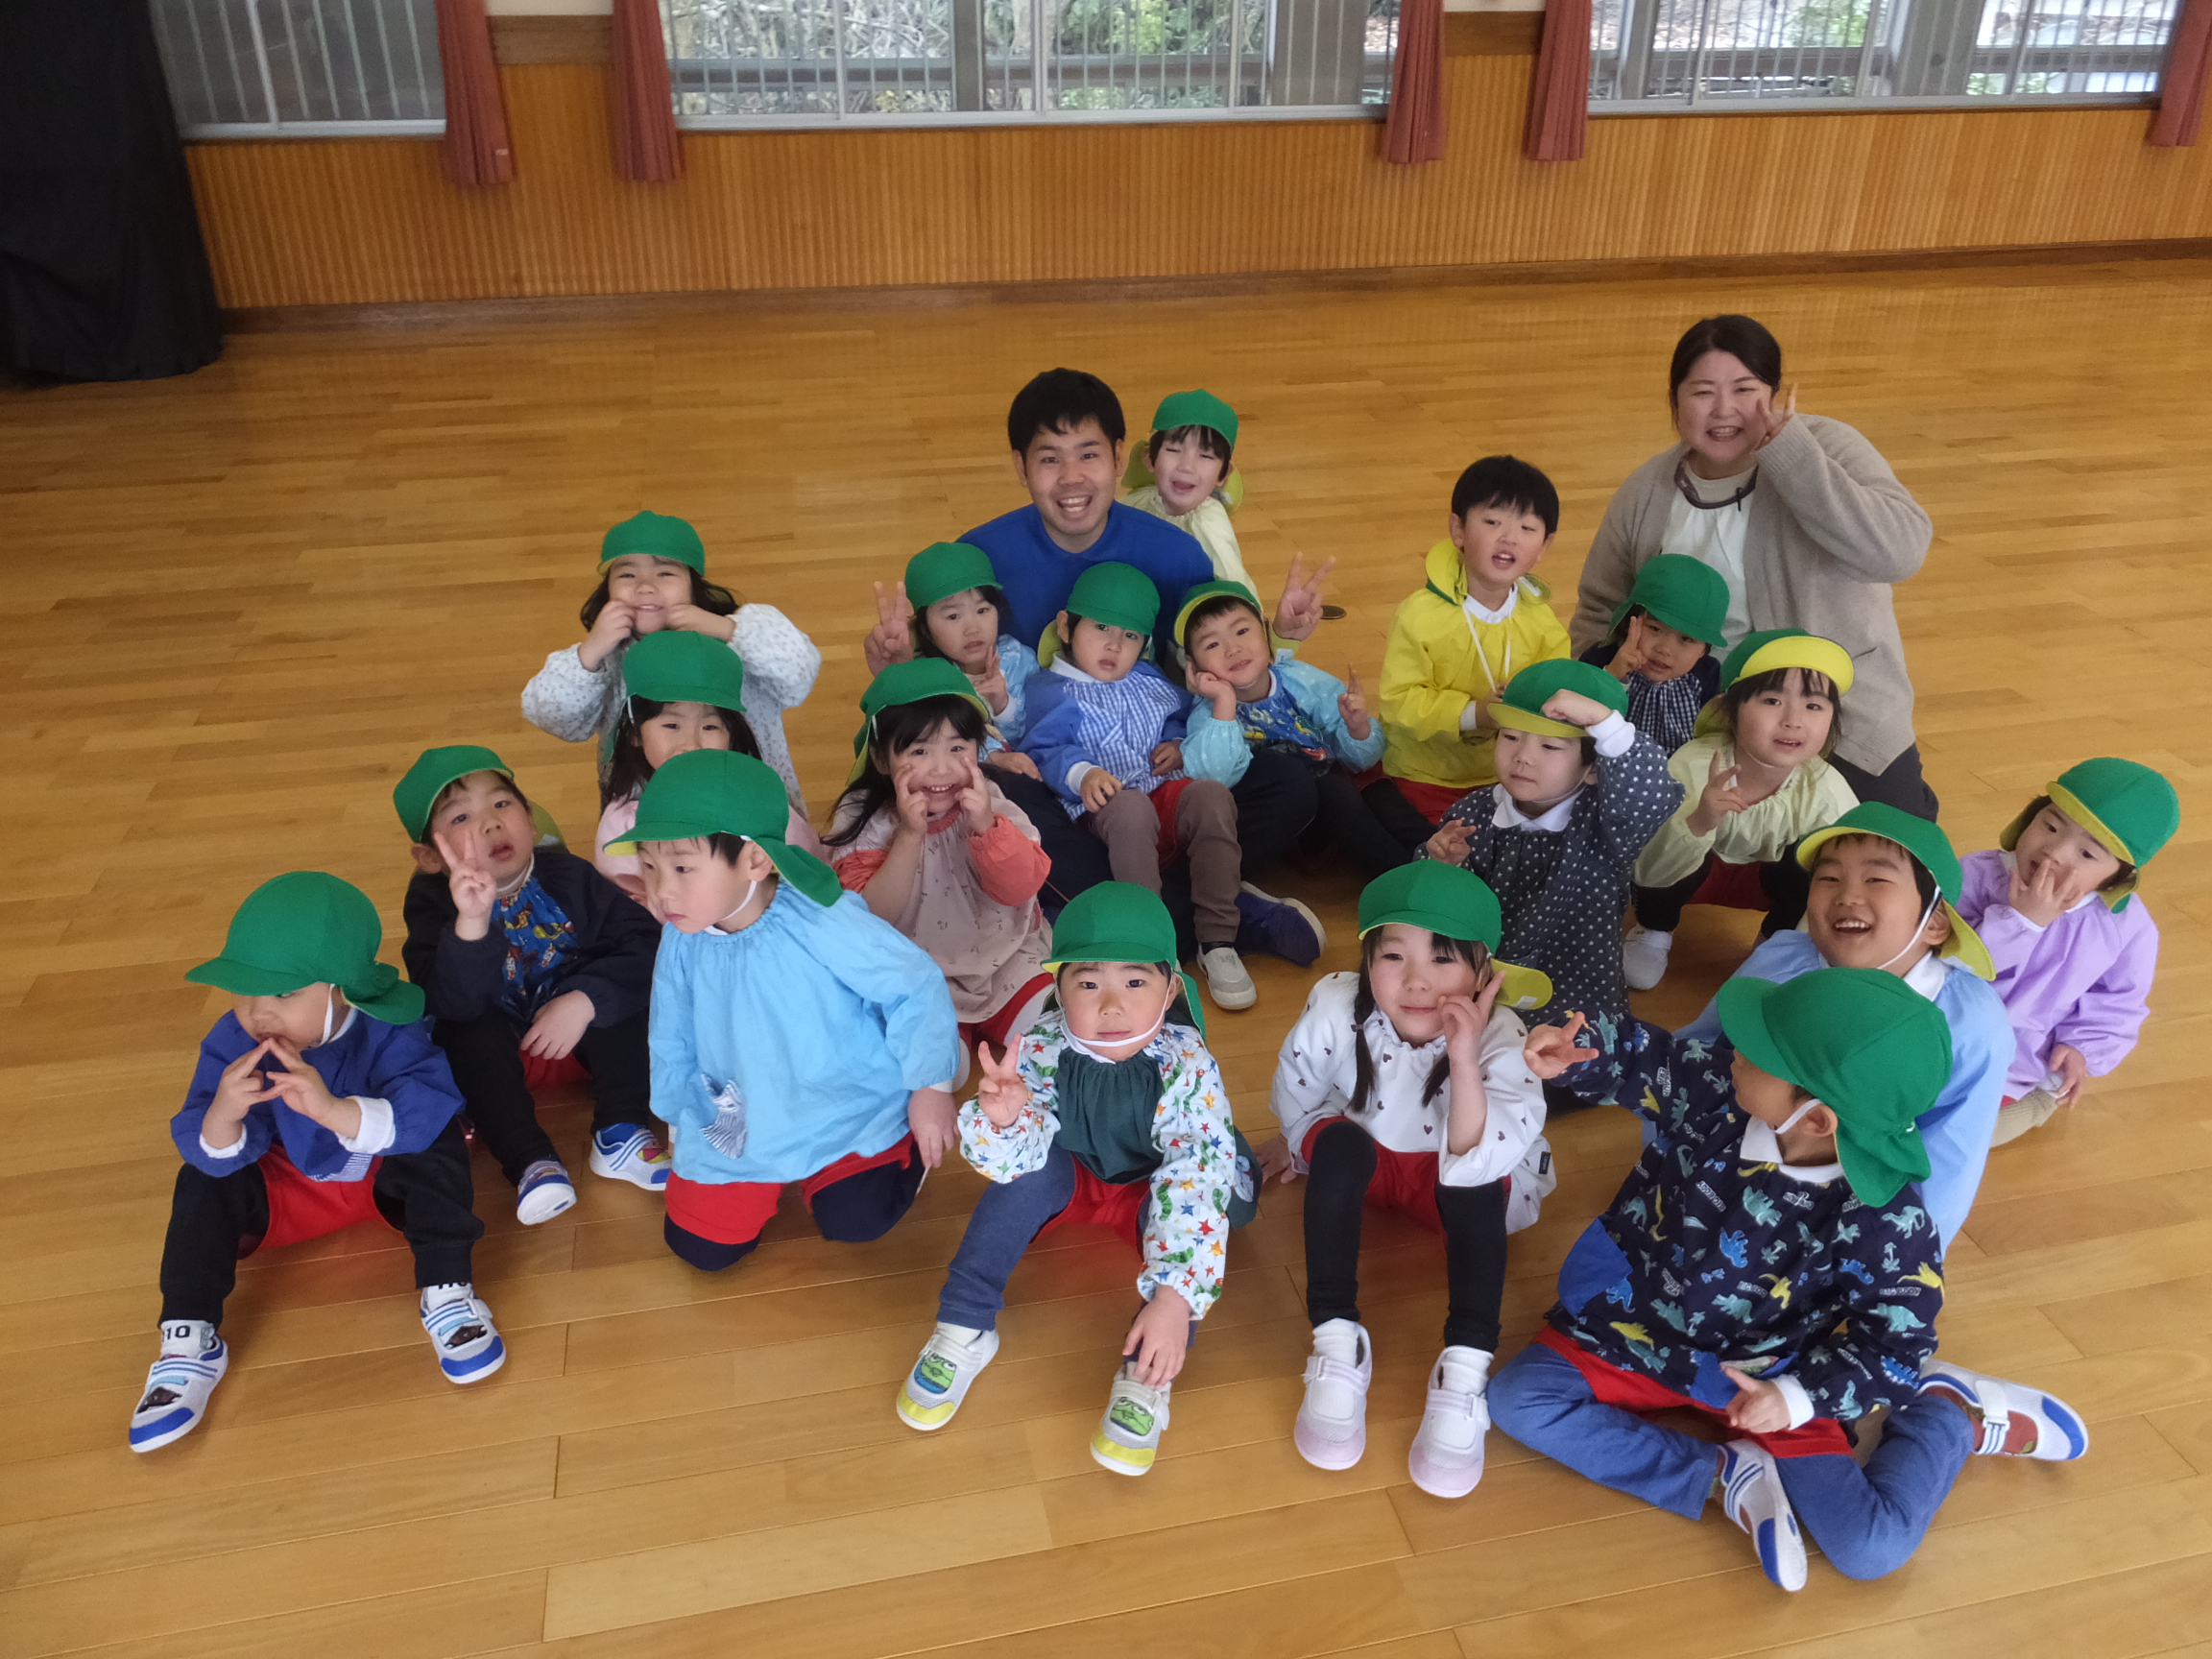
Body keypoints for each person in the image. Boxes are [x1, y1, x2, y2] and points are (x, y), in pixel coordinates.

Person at [1492, 970, 2088, 1594]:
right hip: (1632, 1329)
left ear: (1816, 1118)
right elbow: (1646, 1058)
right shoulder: (1714, 1087)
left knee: (1870, 1548)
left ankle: (1949, 1415)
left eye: (1757, 1052)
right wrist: (1581, 1050)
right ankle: (1725, 1475)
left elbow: (1896, 1346)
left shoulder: (1888, 1222)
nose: (1734, 1049)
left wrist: (1795, 1399)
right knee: (1517, 1400)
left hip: (1774, 1377)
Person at [893, 883, 1259, 1477]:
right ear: (1057, 990)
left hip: (1153, 1189)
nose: (1111, 1005)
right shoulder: (1038, 1048)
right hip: (1075, 1177)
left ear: (1170, 990)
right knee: (1026, 1177)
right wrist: (1004, 1120)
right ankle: (963, 1322)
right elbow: (1009, 1165)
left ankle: (1147, 1375)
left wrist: (1174, 1299)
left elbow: (1194, 1176)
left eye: (1135, 982)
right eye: (1088, 984)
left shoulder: (1187, 1064)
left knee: (1195, 1235)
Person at [132, 874, 502, 1453]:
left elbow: (427, 1102)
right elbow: (208, 1144)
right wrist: (223, 1114)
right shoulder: (233, 1040)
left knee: (437, 1144)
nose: (258, 1013)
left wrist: (334, 1111)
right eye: (243, 992)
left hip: (380, 1173)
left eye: (282, 994)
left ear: (341, 989)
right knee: (200, 1177)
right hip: (293, 1189)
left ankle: (447, 1288)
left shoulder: (387, 1026)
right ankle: (189, 1334)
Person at [1261, 862, 1558, 1496]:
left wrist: (1463, 1058)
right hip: (1368, 1159)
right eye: (1393, 956)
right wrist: (1296, 1142)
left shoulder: (1505, 1037)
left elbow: (1481, 1156)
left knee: (1475, 1182)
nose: (1417, 981)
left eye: (1443, 960)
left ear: (1484, 972)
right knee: (1339, 1143)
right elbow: (1299, 1084)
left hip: (1453, 1178)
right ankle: (1336, 1341)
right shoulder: (1337, 1004)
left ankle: (1465, 1369)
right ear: (1367, 960)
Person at [1572, 314, 1938, 818]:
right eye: (1703, 392)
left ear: (1776, 394)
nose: (1724, 410)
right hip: (1687, 718)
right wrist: (1604, 694)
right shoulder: (1646, 489)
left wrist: (1791, 457)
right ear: (1675, 403)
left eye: (1745, 390)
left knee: (1887, 844)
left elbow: (1900, 552)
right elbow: (1599, 609)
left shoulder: (1827, 447)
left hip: (1832, 717)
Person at [615, 749, 961, 1271]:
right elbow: (671, 1031)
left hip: (845, 1107)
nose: (661, 891)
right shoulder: (682, 935)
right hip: (740, 1117)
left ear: (755, 860)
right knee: (701, 1248)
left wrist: (930, 1087)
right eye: (648, 865)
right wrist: (681, 1116)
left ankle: (906, 1127)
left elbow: (914, 983)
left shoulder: (822, 920)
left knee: (857, 1220)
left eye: (682, 867)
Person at [1675, 803, 2010, 1246]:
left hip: (1840, 1221)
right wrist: (1673, 1157)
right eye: (1828, 878)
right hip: (1721, 1174)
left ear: (1934, 924)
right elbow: (1696, 1054)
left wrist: (1903, 1254)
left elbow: (1951, 1157)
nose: (1847, 895)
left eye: (1877, 880)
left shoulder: (1970, 1025)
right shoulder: (1780, 961)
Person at [1022, 561, 1315, 1010]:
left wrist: (1179, 743)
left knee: (1211, 795)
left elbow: (1180, 717)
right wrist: (1084, 774)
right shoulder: (1050, 688)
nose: (1114, 645)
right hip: (1103, 812)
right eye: (1101, 628)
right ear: (1065, 627)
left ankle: (1218, 939)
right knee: (1131, 809)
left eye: (1131, 636)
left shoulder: (1148, 679)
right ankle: (1153, 945)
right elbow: (1046, 747)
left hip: (1162, 796)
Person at [397, 746, 666, 1226]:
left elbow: (643, 944)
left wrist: (586, 1000)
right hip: (494, 1037)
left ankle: (621, 1129)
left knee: (630, 996)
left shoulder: (570, 875)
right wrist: (471, 924)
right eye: (461, 817)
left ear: (529, 816)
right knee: (463, 1036)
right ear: (430, 857)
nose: (490, 824)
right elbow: (450, 1003)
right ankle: (530, 1162)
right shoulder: (429, 904)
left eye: (502, 804)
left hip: (571, 1030)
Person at [946, 369, 1325, 668]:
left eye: (1088, 455)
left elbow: (1225, 670)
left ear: (1118, 458)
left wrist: (1281, 638)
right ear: (1021, 467)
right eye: (1050, 458)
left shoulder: (1179, 558)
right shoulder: (976, 561)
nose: (1071, 476)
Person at [1420, 661, 1681, 1081]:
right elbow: (1431, 905)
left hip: (1576, 972)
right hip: (1485, 970)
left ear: (1593, 769)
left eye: (1551, 746)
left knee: (1574, 1063)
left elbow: (1650, 797)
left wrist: (1605, 724)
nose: (1523, 756)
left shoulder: (1607, 820)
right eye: (1511, 737)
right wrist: (1440, 863)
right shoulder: (1475, 811)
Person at [825, 660, 1055, 1066]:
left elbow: (1021, 887)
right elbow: (869, 920)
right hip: (916, 980)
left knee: (1055, 1039)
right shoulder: (865, 820)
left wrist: (986, 826)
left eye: (957, 748)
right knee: (939, 1070)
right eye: (919, 751)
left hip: (1007, 961)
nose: (942, 768)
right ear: (881, 759)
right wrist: (909, 836)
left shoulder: (991, 802)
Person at [861, 539, 1109, 914]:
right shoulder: (930, 673)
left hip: (1039, 761)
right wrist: (992, 757)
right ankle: (1078, 901)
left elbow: (1034, 724)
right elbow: (917, 739)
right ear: (924, 627)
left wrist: (1002, 704)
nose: (972, 627)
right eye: (952, 616)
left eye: (982, 609)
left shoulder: (1015, 656)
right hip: (987, 780)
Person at [521, 510, 821, 813]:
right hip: (647, 821)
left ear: (694, 585)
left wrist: (728, 629)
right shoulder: (604, 659)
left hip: (754, 808)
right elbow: (551, 716)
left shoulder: (738, 637)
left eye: (665, 573)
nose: (645, 586)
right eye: (627, 575)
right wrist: (590, 652)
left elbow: (799, 674)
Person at [1623, 628, 1859, 990]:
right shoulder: (1693, 765)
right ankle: (1654, 929)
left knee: (1826, 863)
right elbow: (1646, 866)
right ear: (1730, 710)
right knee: (1673, 835)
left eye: (1813, 706)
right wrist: (1699, 822)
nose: (1793, 720)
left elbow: (1846, 879)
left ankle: (1773, 946)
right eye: (1772, 701)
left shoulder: (1824, 788)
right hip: (1694, 874)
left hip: (1765, 881)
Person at [1959, 758, 2176, 1146]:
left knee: (1963, 1134)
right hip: (1940, 1036)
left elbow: (2119, 1003)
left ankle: (2039, 1102)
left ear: (2117, 876)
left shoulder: (2125, 928)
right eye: (2051, 826)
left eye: (2087, 854)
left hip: (2017, 1064)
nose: (2055, 852)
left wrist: (2081, 1047)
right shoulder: (1973, 876)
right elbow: (1945, 964)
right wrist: (2020, 923)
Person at [1372, 455, 1574, 849]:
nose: (1509, 538)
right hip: (1423, 774)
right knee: (1433, 851)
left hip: (1508, 779)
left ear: (1544, 546)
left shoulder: (1544, 624)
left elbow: (1553, 706)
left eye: (1527, 528)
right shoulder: (1419, 615)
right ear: (1458, 530)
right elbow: (1399, 701)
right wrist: (1474, 714)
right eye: (1493, 521)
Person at [1177, 579, 1404, 876]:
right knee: (1331, 785)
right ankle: (1401, 875)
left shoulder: (1300, 680)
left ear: (1266, 631)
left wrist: (1358, 727)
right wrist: (1224, 701)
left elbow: (1362, 759)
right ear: (1193, 666)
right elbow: (1213, 778)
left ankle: (1438, 858)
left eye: (1242, 631)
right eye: (1212, 644)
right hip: (1286, 820)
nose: (1233, 649)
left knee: (1381, 793)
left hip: (1335, 799)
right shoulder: (1209, 713)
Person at [593, 629, 825, 913]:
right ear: (635, 733)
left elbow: (809, 875)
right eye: (671, 725)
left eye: (710, 727)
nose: (692, 744)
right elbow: (627, 913)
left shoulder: (764, 806)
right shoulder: (622, 825)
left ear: (731, 735)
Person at [1576, 552, 1728, 755]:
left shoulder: (1707, 674)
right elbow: (1575, 719)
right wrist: (1612, 675)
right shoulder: (1601, 658)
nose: (1665, 649)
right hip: (1607, 765)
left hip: (1678, 768)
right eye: (1655, 629)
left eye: (1687, 639)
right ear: (1629, 621)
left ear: (1704, 650)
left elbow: (1710, 737)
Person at [1120, 389, 1256, 591]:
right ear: (1149, 458)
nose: (1186, 466)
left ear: (1223, 474)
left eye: (1206, 455)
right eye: (1174, 450)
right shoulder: (1135, 506)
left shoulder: (1211, 528)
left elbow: (1235, 595)